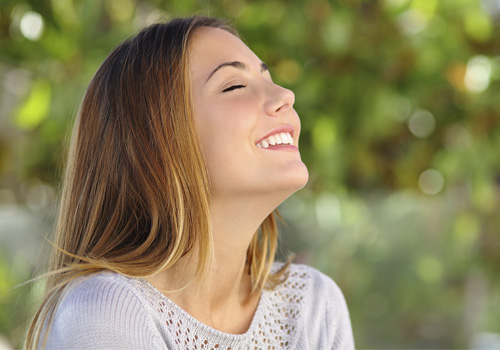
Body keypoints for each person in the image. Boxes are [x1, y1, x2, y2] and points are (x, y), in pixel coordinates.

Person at [24, 16, 354, 349]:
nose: (286, 94)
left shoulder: (312, 304)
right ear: (156, 145)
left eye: (268, 78)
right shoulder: (103, 311)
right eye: (234, 86)